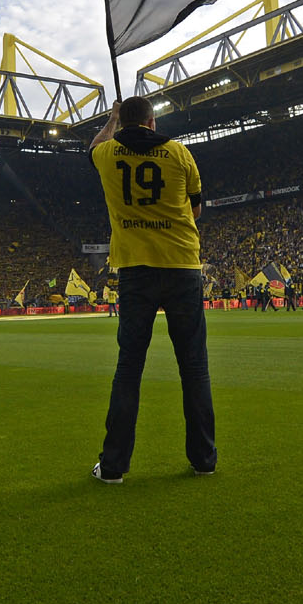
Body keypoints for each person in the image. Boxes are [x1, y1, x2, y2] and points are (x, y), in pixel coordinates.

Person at [89, 96, 216, 484]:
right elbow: (195, 210)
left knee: (129, 367)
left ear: (121, 121)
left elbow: (93, 146)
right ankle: (204, 460)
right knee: (193, 366)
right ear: (152, 122)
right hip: (181, 265)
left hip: (136, 270)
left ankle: (113, 467)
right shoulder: (179, 153)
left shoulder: (107, 153)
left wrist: (111, 118)